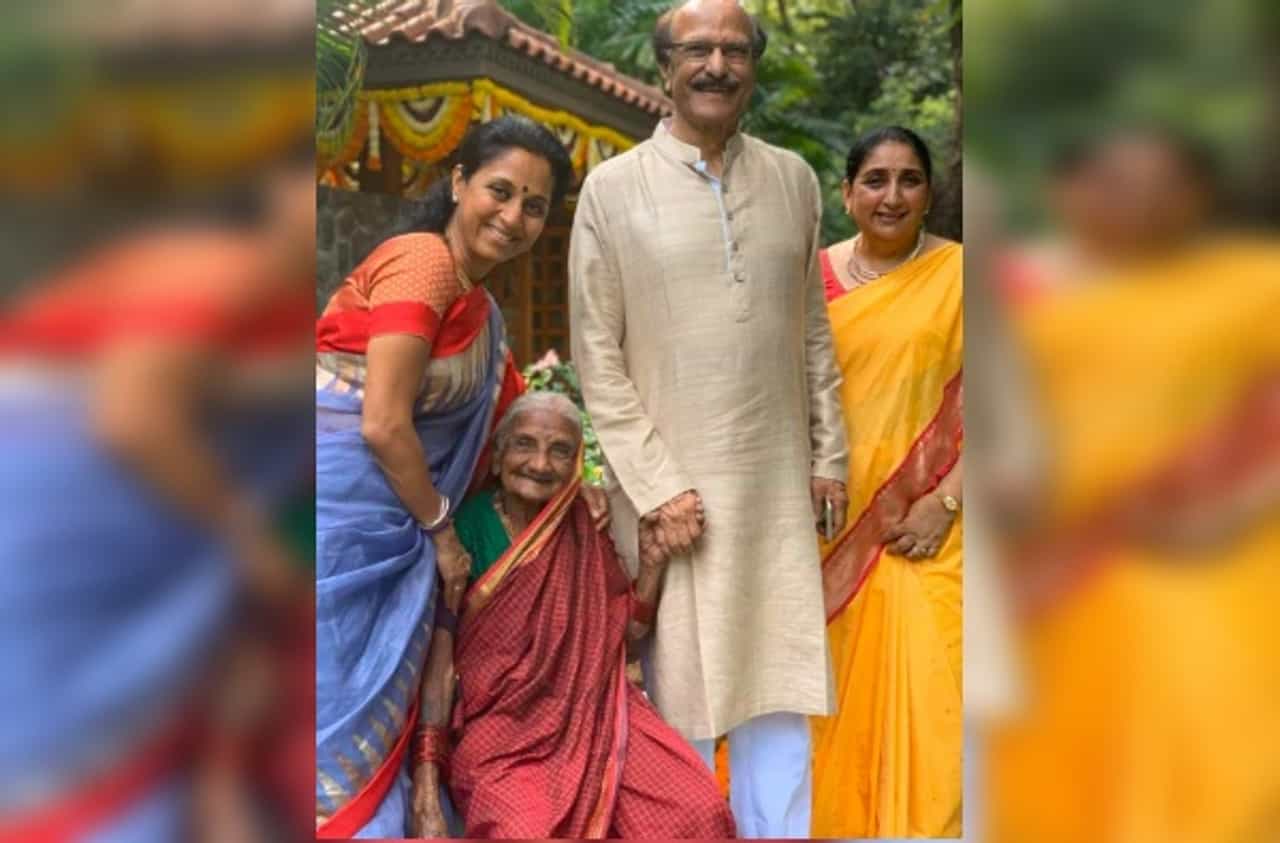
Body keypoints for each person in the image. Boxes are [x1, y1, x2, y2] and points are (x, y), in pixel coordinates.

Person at [568, 0, 849, 836]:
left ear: (753, 66)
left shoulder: (794, 181)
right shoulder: (612, 189)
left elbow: (812, 331)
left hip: (773, 489)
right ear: (664, 68)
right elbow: (596, 354)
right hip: (672, 498)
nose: (717, 66)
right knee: (678, 698)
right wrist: (658, 488)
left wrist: (829, 455)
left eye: (735, 50)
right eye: (697, 49)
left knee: (778, 689)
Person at [986, 128, 1280, 843]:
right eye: (1117, 183)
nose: (1142, 203)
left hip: (1203, 553)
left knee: (1221, 778)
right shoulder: (1014, 286)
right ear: (1067, 191)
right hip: (1039, 566)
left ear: (1200, 198)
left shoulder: (1253, 284)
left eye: (1165, 186)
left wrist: (1239, 508)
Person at [314, 116, 583, 838]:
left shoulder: (482, 312)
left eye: (535, 205)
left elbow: (504, 432)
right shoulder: (423, 264)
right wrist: (441, 533)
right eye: (500, 190)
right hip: (335, 530)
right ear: (459, 182)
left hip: (390, 533)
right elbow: (382, 423)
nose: (514, 216)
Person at [406, 390, 736, 838]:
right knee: (523, 830)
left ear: (576, 463)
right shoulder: (466, 528)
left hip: (597, 713)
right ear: (498, 456)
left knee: (696, 811)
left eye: (560, 450)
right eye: (525, 444)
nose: (540, 463)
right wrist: (426, 783)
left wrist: (651, 566)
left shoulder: (584, 523)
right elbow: (440, 662)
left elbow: (626, 636)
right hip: (504, 729)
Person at [807, 126, 964, 837]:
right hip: (826, 527)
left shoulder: (962, 275)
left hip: (931, 525)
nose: (892, 195)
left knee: (933, 701)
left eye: (910, 179)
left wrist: (945, 500)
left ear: (930, 194)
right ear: (847, 194)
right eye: (875, 179)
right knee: (825, 713)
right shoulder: (811, 279)